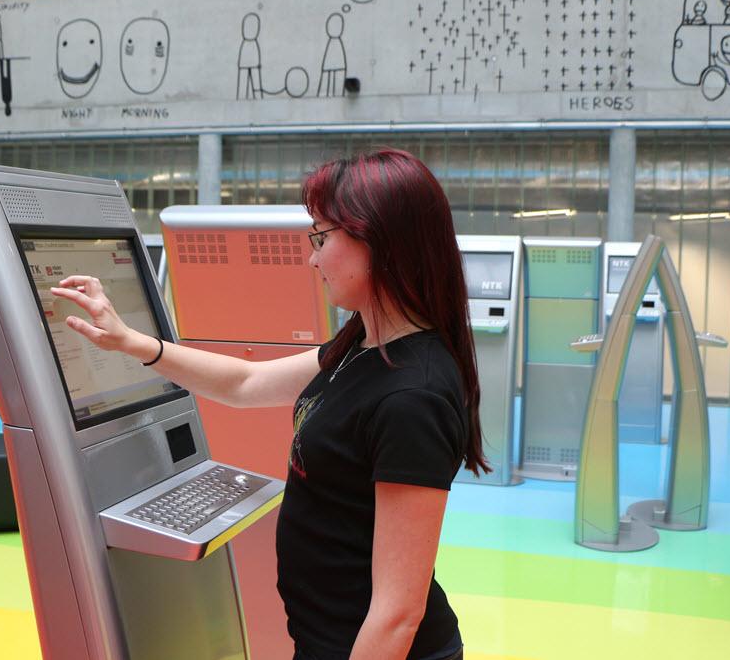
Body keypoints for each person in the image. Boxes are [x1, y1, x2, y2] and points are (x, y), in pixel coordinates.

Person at [50, 148, 487, 660]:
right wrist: (132, 342)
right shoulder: (362, 345)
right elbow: (245, 383)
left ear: (377, 240)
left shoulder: (413, 396)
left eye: (322, 238)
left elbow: (397, 614)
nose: (312, 257)